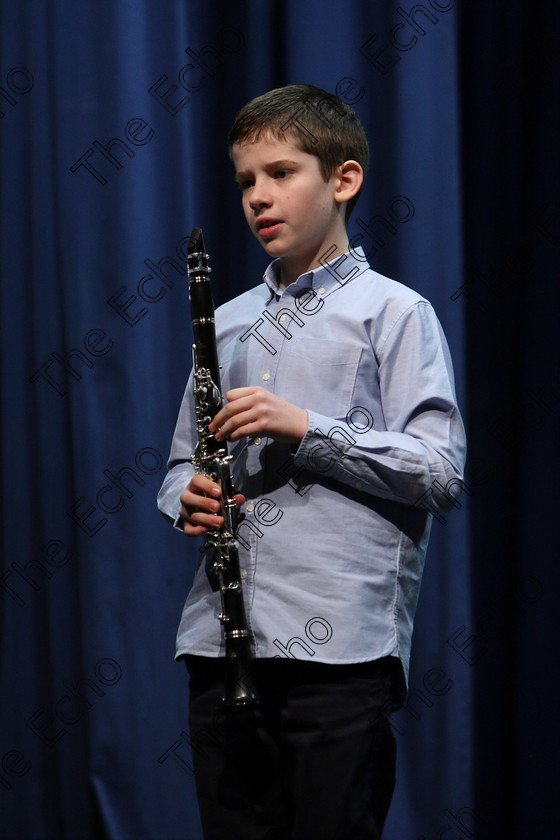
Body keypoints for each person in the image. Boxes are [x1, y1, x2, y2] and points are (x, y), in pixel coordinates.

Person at [157, 84, 466, 840]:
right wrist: (185, 497)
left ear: (343, 180)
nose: (258, 197)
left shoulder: (395, 312)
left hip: (340, 655)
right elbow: (177, 466)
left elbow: (440, 473)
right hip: (218, 648)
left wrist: (309, 428)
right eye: (245, 182)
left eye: (281, 173)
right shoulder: (225, 320)